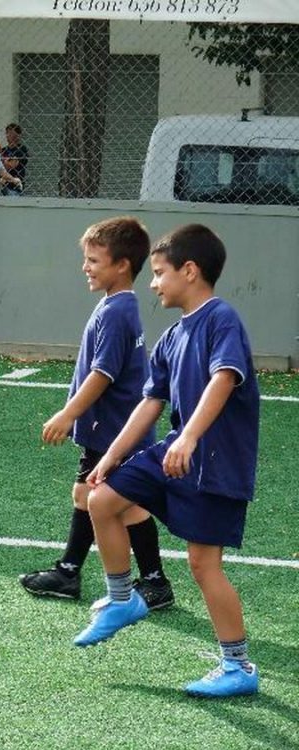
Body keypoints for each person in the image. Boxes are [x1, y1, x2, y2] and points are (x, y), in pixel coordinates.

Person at [76, 224, 261, 699]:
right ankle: (123, 598)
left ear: (190, 271)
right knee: (101, 499)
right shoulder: (173, 336)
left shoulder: (222, 319)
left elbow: (224, 377)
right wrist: (112, 457)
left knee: (203, 566)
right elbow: (149, 404)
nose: (153, 283)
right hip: (175, 453)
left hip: (215, 464)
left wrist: (191, 438)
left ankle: (237, 667)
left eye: (159, 273)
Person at [19, 217, 173, 609]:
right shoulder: (119, 305)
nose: (85, 267)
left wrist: (67, 413)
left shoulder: (116, 312)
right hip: (112, 427)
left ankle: (151, 582)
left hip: (113, 429)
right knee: (88, 493)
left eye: (93, 260)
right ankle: (71, 570)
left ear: (122, 265)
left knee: (116, 502)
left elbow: (102, 374)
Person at [0, 123, 29, 196]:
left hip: (15, 185)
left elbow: (12, 165)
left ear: (18, 135)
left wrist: (4, 163)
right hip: (2, 184)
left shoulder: (22, 149)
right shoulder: (3, 150)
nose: (8, 135)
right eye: (7, 133)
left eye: (11, 133)